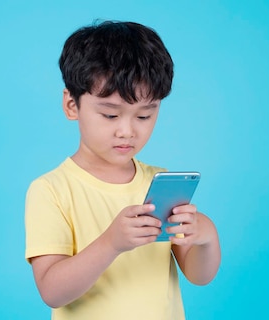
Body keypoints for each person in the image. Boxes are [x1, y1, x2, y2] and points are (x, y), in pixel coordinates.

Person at [24, 20, 221, 320]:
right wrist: (111, 244)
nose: (127, 131)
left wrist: (205, 236)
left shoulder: (159, 182)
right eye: (110, 114)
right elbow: (52, 291)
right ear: (72, 105)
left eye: (144, 115)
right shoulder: (51, 190)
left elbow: (199, 276)